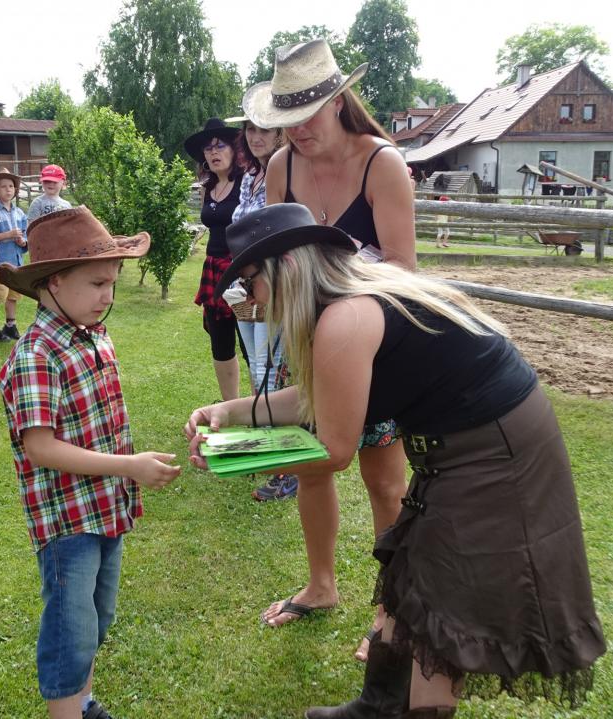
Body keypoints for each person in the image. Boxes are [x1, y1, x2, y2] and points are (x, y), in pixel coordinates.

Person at [186, 204, 605, 717]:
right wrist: (231, 412)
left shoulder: (345, 317)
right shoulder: (352, 303)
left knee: (442, 597)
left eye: (250, 282)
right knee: (410, 571)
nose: (249, 299)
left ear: (287, 268)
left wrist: (229, 454)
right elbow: (318, 397)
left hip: (495, 454)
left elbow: (334, 451)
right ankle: (378, 705)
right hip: (465, 443)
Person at [244, 38, 416, 662]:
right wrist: (260, 292)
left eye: (307, 115)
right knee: (311, 466)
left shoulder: (382, 164)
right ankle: (321, 586)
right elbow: (279, 259)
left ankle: (391, 610)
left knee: (384, 482)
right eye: (285, 119)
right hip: (307, 339)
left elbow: (403, 272)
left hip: (375, 342)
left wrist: (337, 291)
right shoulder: (280, 168)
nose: (297, 131)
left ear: (339, 100)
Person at [0, 205, 181, 719]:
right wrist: (129, 466)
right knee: (69, 629)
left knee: (97, 616)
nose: (108, 296)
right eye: (98, 283)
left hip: (104, 507)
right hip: (67, 519)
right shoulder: (36, 355)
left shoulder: (93, 334)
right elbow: (40, 448)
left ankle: (83, 702)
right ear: (54, 282)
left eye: (113, 284)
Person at [224, 115, 297, 502]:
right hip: (247, 285)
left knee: (274, 373)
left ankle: (287, 469)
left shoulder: (288, 174)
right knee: (258, 370)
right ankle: (266, 450)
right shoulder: (250, 176)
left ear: (280, 132)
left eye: (264, 129)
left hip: (275, 285)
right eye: (250, 129)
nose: (255, 136)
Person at [185, 117, 246, 401]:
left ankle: (261, 407)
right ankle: (230, 406)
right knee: (220, 344)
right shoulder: (208, 187)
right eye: (208, 148)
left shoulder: (247, 184)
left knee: (251, 343)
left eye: (220, 145)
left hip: (244, 270)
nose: (213, 152)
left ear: (235, 150)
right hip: (213, 269)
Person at [0, 170, 28, 342]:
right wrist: (8, 235)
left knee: (13, 294)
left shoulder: (19, 213)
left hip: (16, 261)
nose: (8, 189)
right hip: (0, 261)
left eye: (11, 186)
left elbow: (25, 234)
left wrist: (23, 242)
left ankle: (10, 325)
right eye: (3, 186)